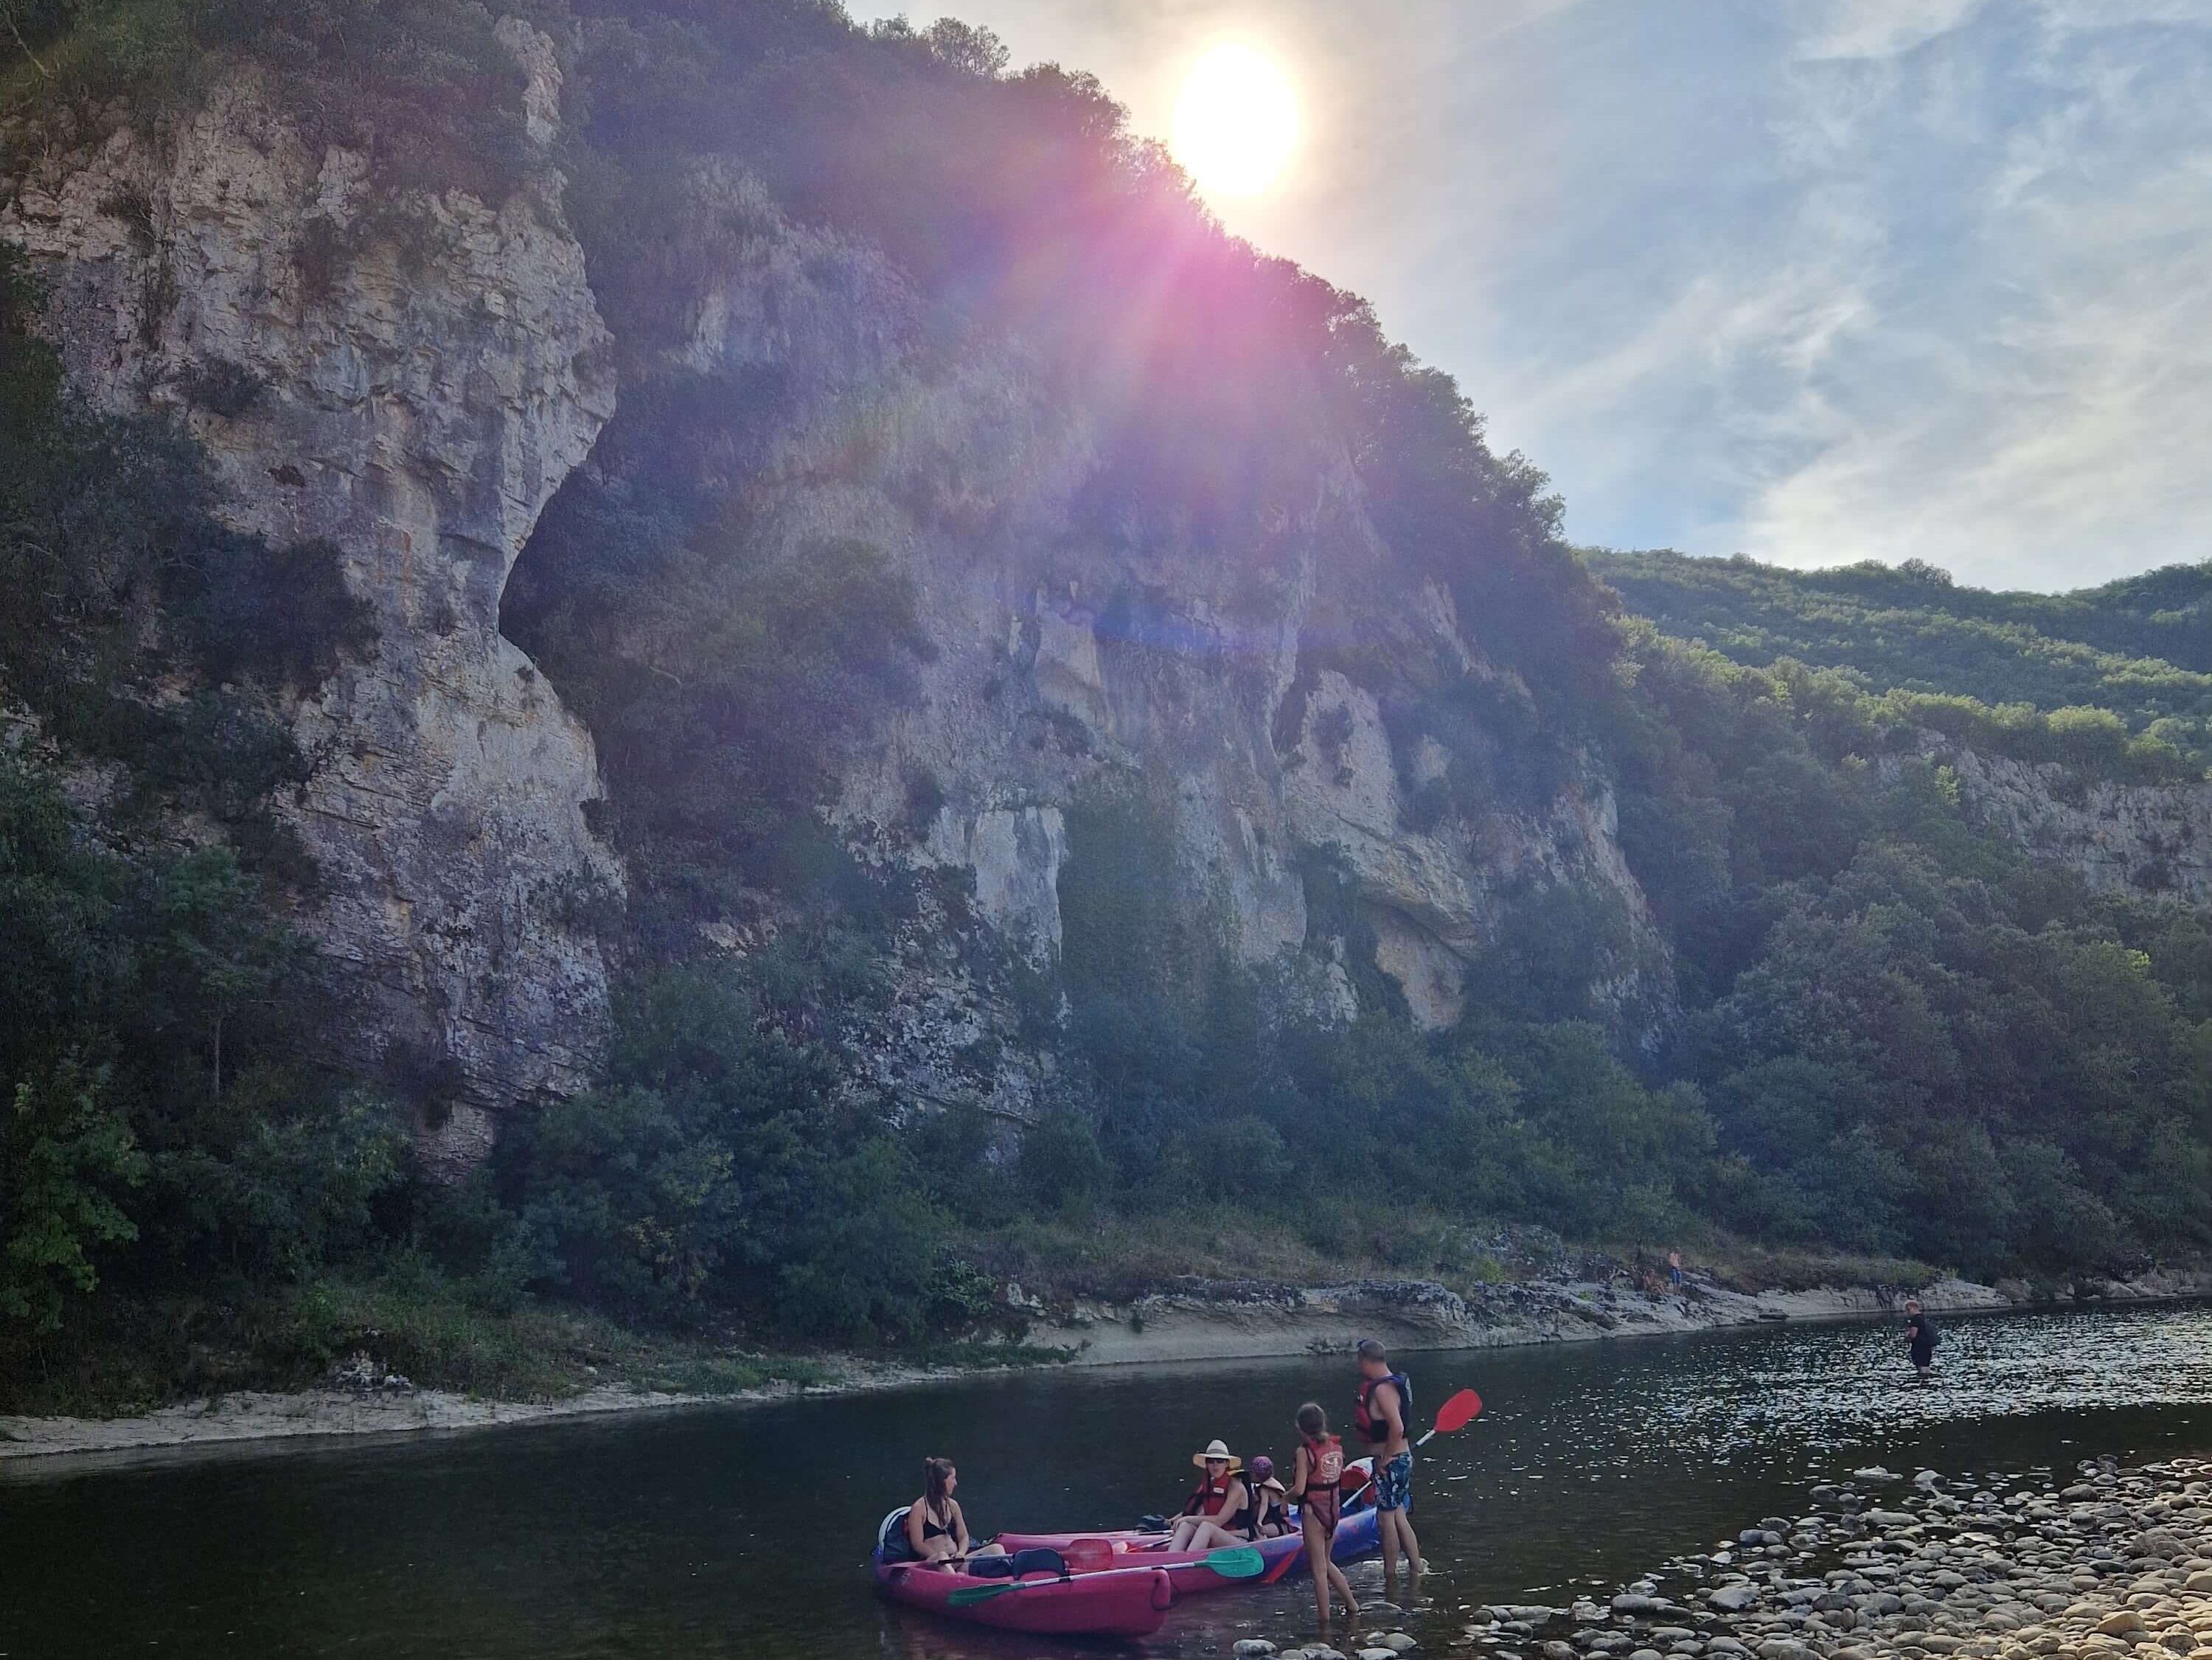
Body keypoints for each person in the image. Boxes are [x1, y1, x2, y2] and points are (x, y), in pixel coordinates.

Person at [1354, 1336, 1424, 1586]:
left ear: (1366, 1360)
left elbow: (1397, 1427)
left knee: (1386, 1520)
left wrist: (1385, 1459)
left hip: (1392, 1461)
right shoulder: (1393, 1383)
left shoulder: (1383, 1389)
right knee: (1397, 1515)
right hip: (1400, 1459)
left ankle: (1390, 1575)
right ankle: (1416, 1567)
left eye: (1359, 1361)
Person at [1292, 1402, 1359, 1625]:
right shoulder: (1336, 1448)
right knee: (1327, 1562)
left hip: (1314, 1514)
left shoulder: (1304, 1453)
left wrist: (1284, 1497)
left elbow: (1300, 1489)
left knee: (1318, 1569)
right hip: (1333, 1510)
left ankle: (1324, 1623)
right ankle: (1352, 1605)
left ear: (1300, 1427)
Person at [903, 1456, 1008, 1568]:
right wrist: (939, 1556)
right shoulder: (919, 1508)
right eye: (952, 1478)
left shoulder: (953, 1505)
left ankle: (1009, 1576)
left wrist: (961, 1553)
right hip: (935, 1563)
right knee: (942, 1557)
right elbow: (918, 1544)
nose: (956, 1483)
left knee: (997, 1548)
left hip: (956, 1560)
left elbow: (963, 1536)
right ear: (941, 1481)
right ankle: (952, 1578)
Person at [1166, 1439, 1250, 1552]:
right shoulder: (1209, 1484)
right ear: (1206, 1464)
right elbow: (1201, 1512)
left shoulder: (1236, 1488)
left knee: (1206, 1527)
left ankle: (1186, 1561)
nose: (1215, 1465)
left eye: (1220, 1461)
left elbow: (1219, 1521)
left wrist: (1187, 1518)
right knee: (1186, 1525)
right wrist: (1181, 1520)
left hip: (1237, 1539)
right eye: (1211, 1461)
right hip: (1214, 1533)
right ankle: (1171, 1559)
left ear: (1227, 1464)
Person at [1243, 1456, 1293, 1539]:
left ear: (1258, 1474)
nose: (1251, 1474)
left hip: (1278, 1525)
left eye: (1252, 1472)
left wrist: (1259, 1521)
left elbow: (1264, 1505)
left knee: (1256, 1530)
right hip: (1283, 1522)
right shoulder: (1273, 1482)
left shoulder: (1265, 1488)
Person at [1905, 1299, 1938, 1384]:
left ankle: (1922, 1383)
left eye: (1907, 1310)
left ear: (1910, 1308)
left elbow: (1913, 1335)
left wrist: (1907, 1335)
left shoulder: (1915, 1320)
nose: (1906, 1313)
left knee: (1921, 1366)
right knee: (1926, 1366)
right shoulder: (1923, 1318)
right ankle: (1927, 1381)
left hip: (1919, 1346)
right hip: (1927, 1346)